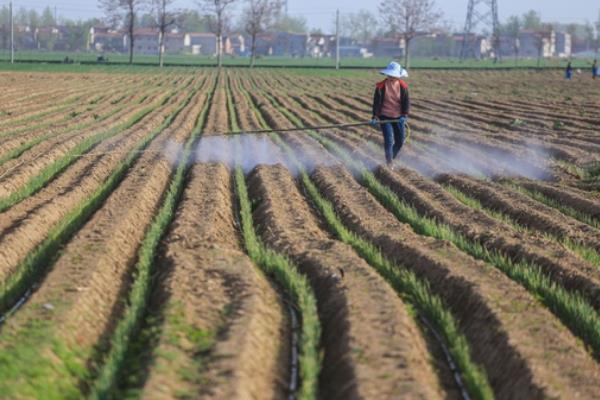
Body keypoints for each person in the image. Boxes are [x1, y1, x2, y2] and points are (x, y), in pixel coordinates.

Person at [371, 61, 410, 168]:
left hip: (398, 117)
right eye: (389, 75)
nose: (391, 77)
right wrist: (375, 116)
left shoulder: (403, 87)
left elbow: (406, 102)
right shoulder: (381, 87)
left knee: (400, 141)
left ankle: (391, 158)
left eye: (393, 75)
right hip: (385, 116)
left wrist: (404, 115)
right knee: (389, 140)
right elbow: (376, 103)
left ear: (398, 76)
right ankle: (389, 162)